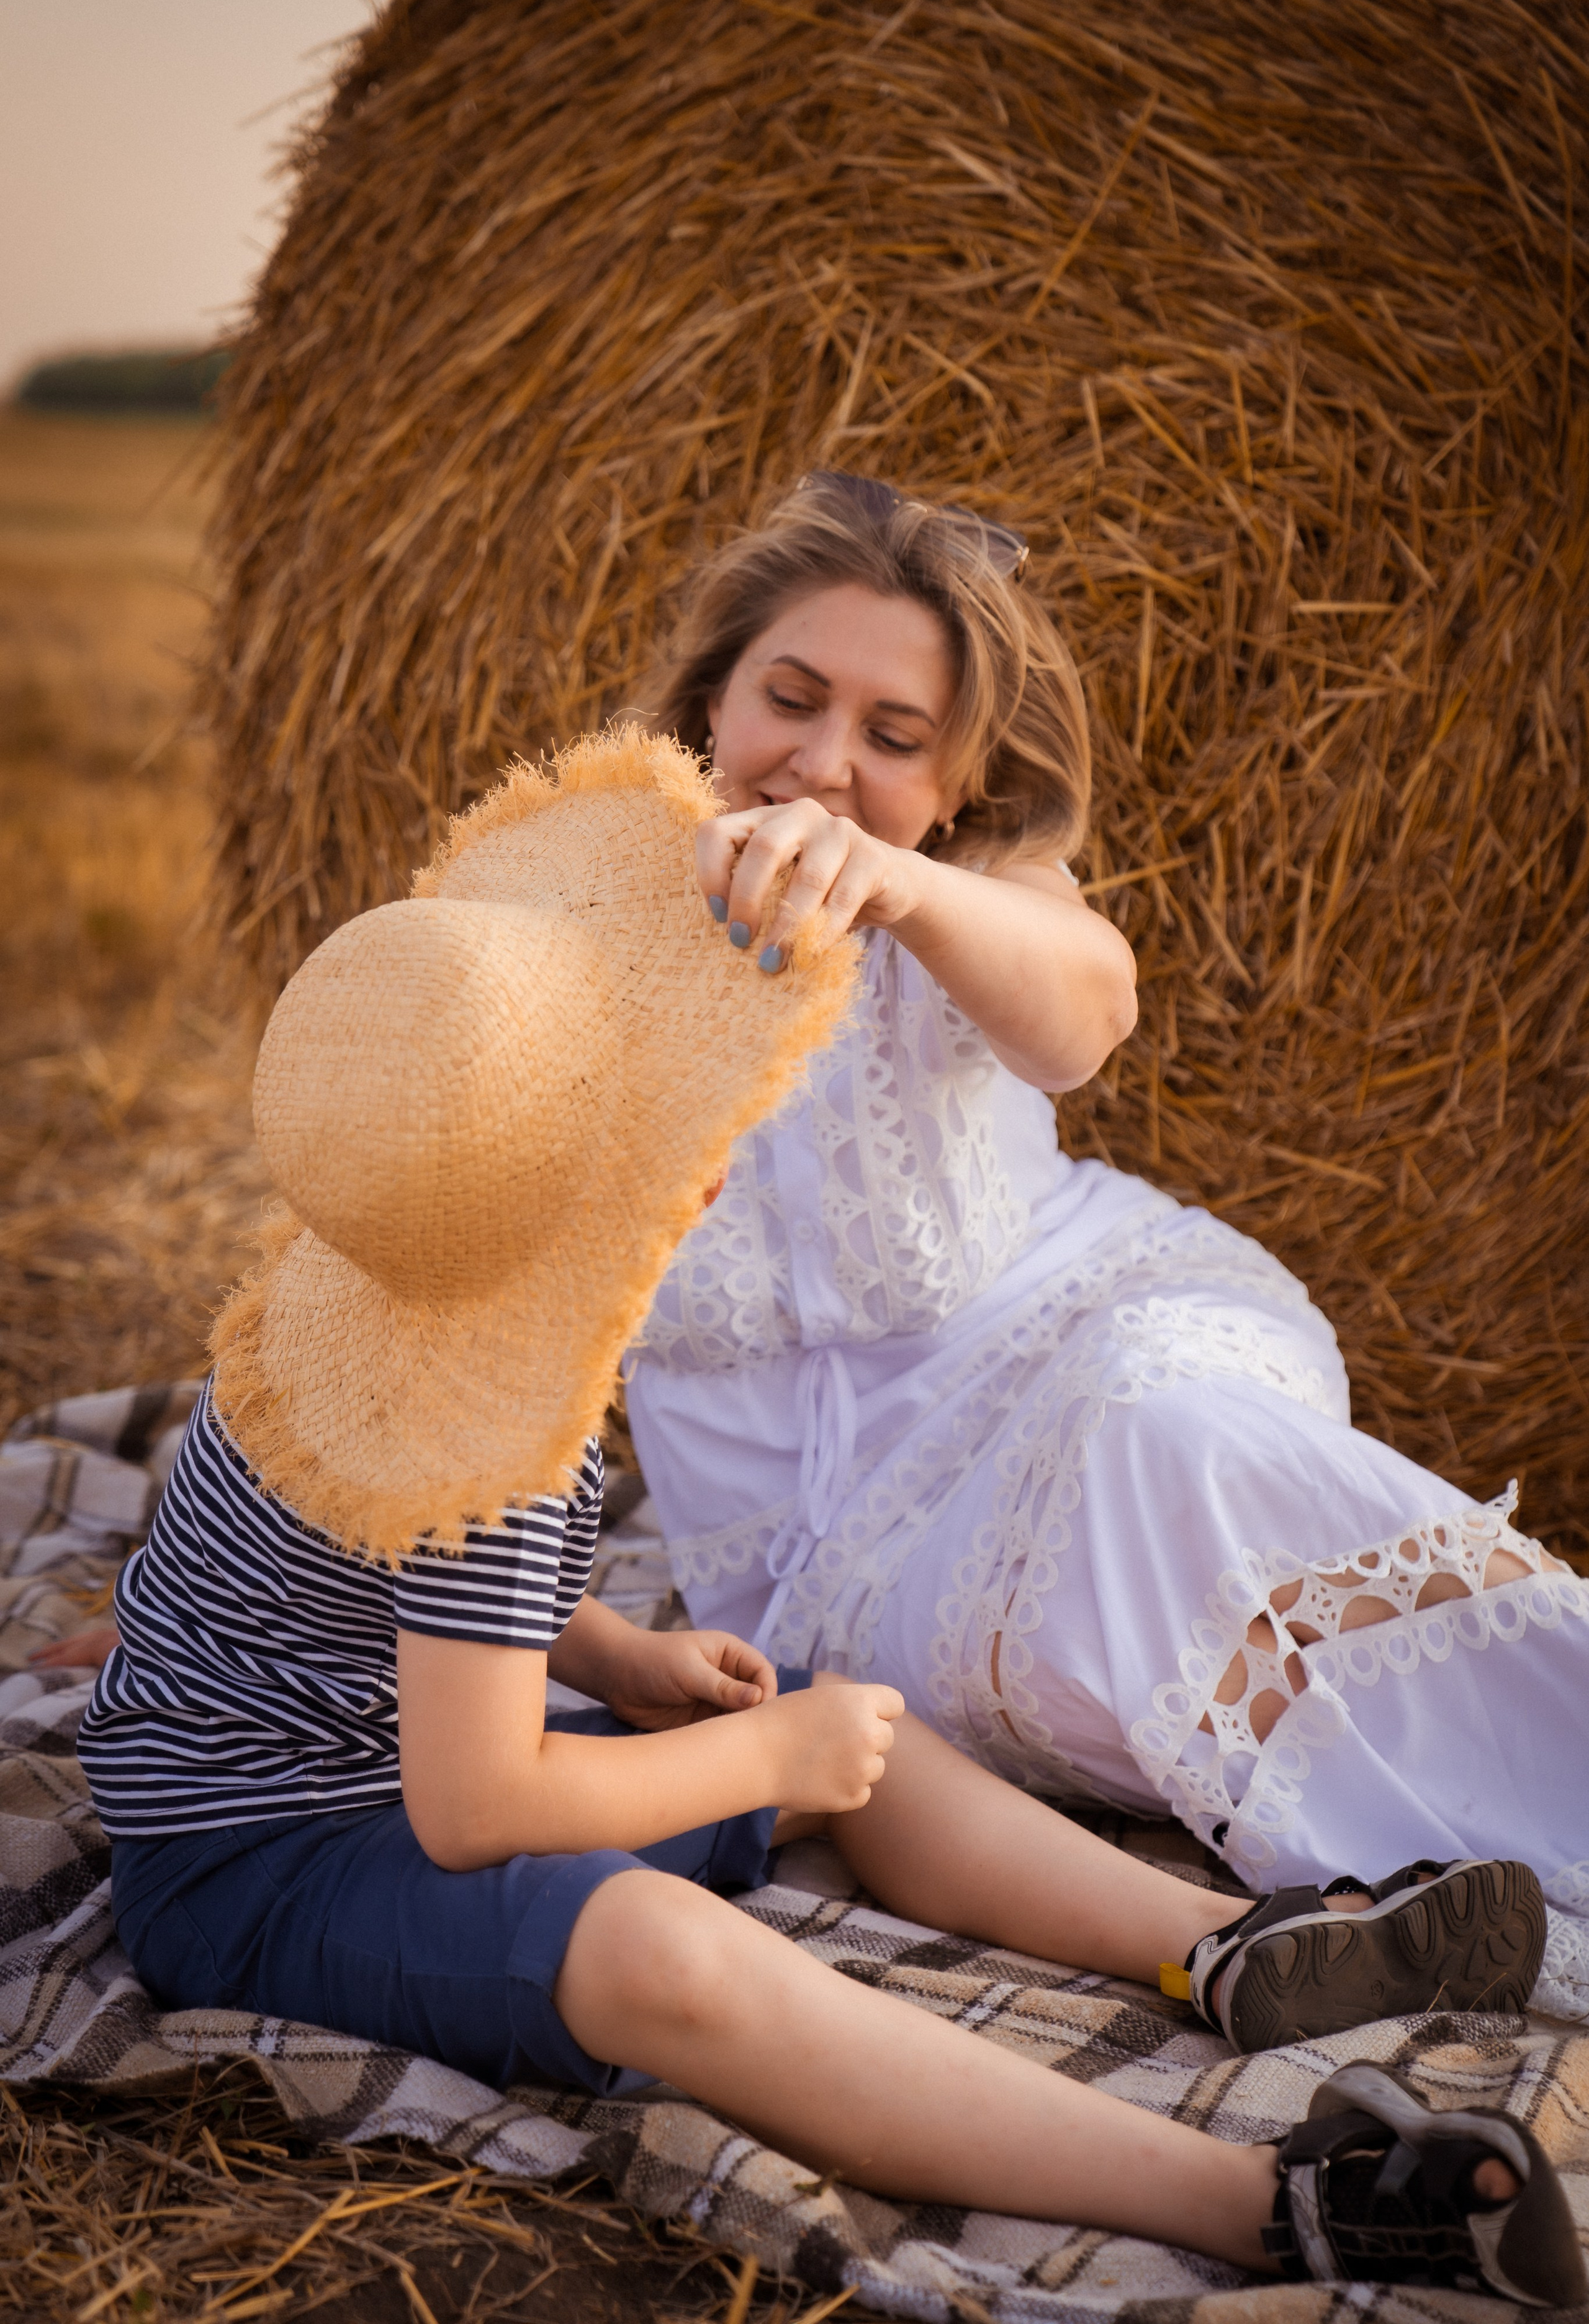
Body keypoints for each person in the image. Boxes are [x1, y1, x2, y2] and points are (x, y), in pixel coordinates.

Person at [72, 736, 1583, 2306]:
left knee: (831, 1725)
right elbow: (469, 1811)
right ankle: (1271, 2202)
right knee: (665, 1943)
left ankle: (1221, 1945)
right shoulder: (505, 1428)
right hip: (259, 1862)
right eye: (694, 1111)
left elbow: (374, 1572)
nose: (726, 1144)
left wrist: (623, 1659)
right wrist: (759, 1768)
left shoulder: (358, 1282)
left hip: (365, 1751)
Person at [622, 471, 1589, 2025]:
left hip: (1097, 1329)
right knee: (1099, 1617)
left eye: (891, 736)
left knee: (1157, 1441)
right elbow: (413, 1245)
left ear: (958, 780)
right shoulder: (585, 924)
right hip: (827, 1572)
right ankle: (1440, 1897)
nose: (821, 764)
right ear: (709, 699)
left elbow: (1084, 1012)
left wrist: (899, 887)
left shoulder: (976, 891)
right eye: (788, 701)